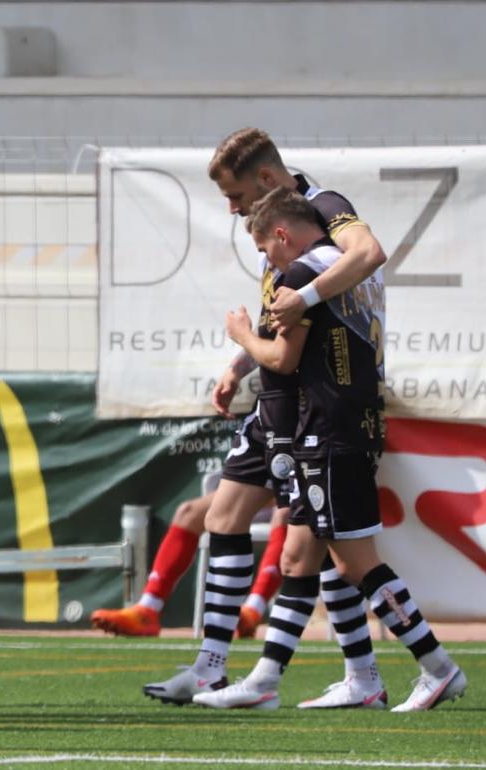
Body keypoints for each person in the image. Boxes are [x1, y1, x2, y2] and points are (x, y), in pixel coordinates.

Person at [195, 187, 465, 712]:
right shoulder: (342, 267)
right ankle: (308, 679)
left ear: (281, 233)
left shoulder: (299, 278)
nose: (265, 264)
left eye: (264, 249)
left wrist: (242, 336)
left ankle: (437, 666)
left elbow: (283, 359)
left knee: (356, 563)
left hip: (326, 429)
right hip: (355, 422)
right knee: (315, 557)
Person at [143, 128, 384, 709]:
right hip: (276, 392)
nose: (231, 210)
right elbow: (282, 311)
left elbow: (368, 254)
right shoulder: (282, 229)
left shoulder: (327, 208)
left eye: (234, 196)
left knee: (320, 546)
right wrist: (239, 361)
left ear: (268, 181)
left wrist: (302, 302)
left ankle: (367, 674)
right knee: (224, 516)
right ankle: (212, 666)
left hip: (316, 400)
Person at [90, 490, 285, 638]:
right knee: (188, 512)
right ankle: (147, 609)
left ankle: (252, 611)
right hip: (267, 467)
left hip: (302, 471)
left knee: (286, 512)